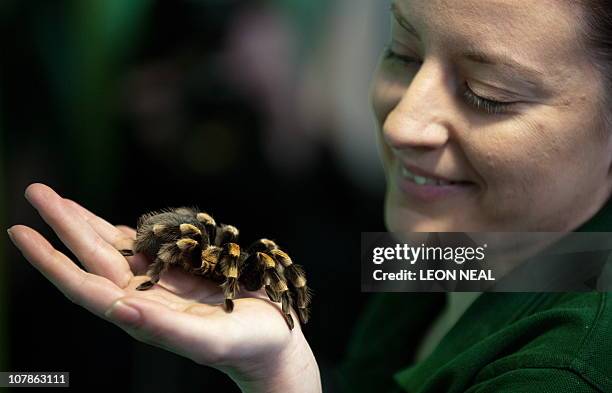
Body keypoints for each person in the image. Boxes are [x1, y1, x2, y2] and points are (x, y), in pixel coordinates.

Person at [7, 0, 612, 392]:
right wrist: (282, 369)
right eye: (402, 51)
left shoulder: (557, 372)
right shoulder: (455, 247)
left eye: (488, 93)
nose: (403, 122)